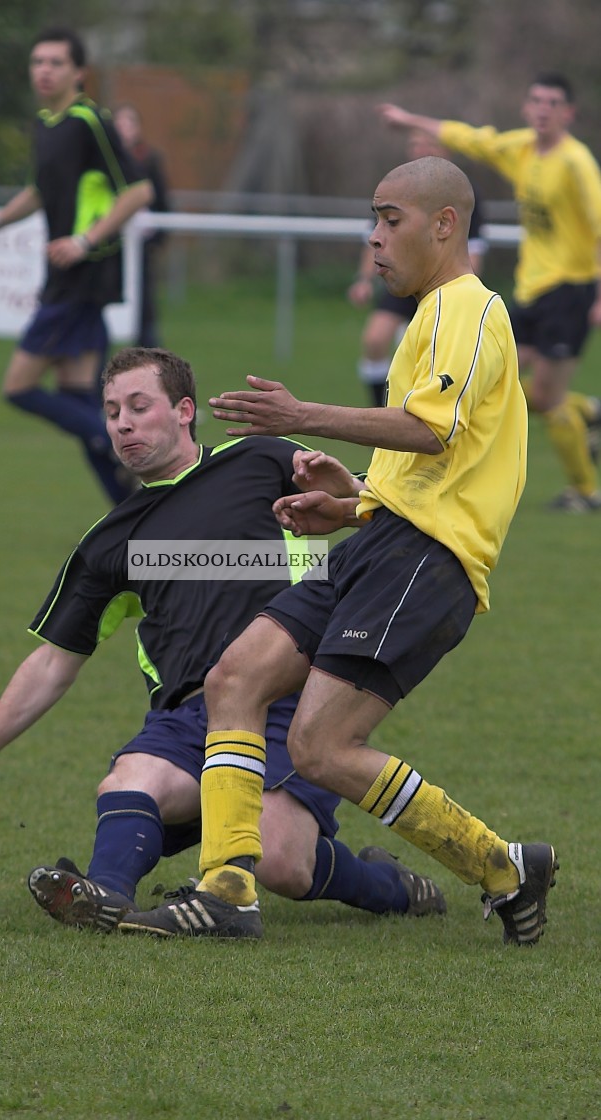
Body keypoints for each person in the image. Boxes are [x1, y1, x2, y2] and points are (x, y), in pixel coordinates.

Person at [118, 157, 558, 948]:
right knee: (235, 677)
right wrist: (350, 505)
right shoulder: (429, 316)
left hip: (425, 563)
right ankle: (226, 890)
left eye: (391, 220)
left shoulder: (467, 307)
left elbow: (432, 429)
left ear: (444, 224)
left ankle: (500, 865)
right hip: (386, 544)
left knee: (320, 748)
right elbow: (439, 467)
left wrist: (300, 415)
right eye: (374, 220)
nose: (375, 238)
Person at [0, 347, 447, 935]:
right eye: (110, 412)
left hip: (290, 702)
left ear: (183, 411)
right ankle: (103, 895)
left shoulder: (260, 461)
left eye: (138, 406)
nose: (122, 423)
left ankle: (392, 887)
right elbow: (53, 662)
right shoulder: (110, 542)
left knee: (280, 858)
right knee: (130, 780)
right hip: (188, 716)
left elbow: (375, 505)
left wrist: (350, 493)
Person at [379, 74, 601, 512]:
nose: (542, 109)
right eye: (535, 100)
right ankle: (589, 413)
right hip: (531, 290)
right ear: (526, 107)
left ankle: (586, 492)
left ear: (568, 113)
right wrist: (409, 122)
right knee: (513, 390)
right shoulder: (520, 149)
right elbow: (467, 138)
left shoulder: (576, 163)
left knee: (547, 401)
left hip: (571, 291)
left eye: (552, 103)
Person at [0, 27, 154, 506]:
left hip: (83, 276)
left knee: (19, 388)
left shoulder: (90, 121)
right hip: (64, 276)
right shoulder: (47, 124)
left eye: (55, 63)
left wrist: (86, 240)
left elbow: (138, 192)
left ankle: (128, 445)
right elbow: (38, 190)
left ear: (78, 72)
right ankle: (133, 512)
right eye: (37, 62)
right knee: (81, 396)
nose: (43, 71)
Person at [348, 130, 487, 407]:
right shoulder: (395, 190)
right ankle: (381, 412)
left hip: (440, 286)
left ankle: (393, 418)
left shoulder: (462, 194)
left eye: (428, 143)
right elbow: (375, 240)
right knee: (375, 339)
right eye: (415, 144)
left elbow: (474, 250)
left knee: (425, 354)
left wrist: (463, 294)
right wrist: (364, 280)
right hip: (403, 279)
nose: (420, 149)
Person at [113, 103, 171, 348]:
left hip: (141, 245)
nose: (125, 129)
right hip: (112, 245)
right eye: (120, 123)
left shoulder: (149, 159)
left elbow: (162, 201)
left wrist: (156, 238)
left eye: (130, 123)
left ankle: (149, 357)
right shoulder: (105, 160)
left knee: (144, 305)